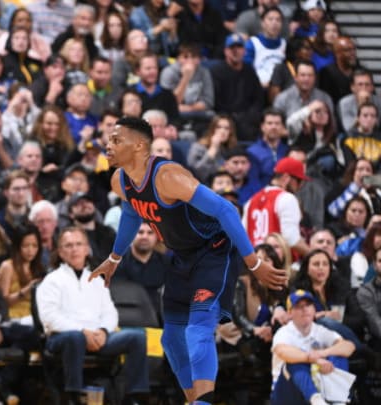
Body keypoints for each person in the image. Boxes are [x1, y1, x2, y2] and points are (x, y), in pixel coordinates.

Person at [89, 116, 287, 405]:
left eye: (117, 140)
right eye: (109, 139)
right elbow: (133, 212)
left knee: (197, 331)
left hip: (214, 250)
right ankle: (194, 400)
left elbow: (227, 210)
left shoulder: (168, 177)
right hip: (182, 256)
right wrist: (115, 257)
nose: (108, 145)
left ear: (140, 145)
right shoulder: (120, 180)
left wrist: (254, 264)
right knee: (171, 340)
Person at [38, 226, 150, 404]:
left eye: (78, 244)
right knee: (75, 338)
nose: (74, 249)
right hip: (62, 338)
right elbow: (49, 318)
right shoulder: (51, 280)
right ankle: (72, 396)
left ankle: (135, 397)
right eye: (68, 245)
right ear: (60, 252)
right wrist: (83, 332)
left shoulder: (96, 279)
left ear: (86, 248)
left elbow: (110, 312)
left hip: (98, 337)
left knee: (137, 336)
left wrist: (104, 331)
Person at [271, 289, 356, 405]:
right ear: (290, 313)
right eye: (298, 306)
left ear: (314, 309)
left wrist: (322, 354)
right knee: (294, 362)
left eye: (308, 305)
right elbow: (282, 351)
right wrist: (313, 359)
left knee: (339, 355)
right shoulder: (283, 332)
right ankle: (316, 400)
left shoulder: (320, 331)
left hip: (318, 384)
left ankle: (338, 401)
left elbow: (348, 347)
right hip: (287, 393)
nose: (305, 309)